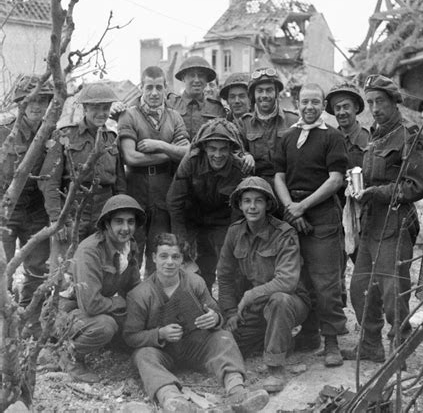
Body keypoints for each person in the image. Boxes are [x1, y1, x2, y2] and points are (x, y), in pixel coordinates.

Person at [123, 233, 269, 413]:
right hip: (163, 352)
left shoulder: (195, 282)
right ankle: (170, 398)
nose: (169, 262)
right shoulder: (140, 294)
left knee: (223, 337)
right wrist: (159, 334)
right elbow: (130, 337)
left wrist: (214, 319)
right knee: (143, 355)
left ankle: (237, 390)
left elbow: (217, 313)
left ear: (182, 259)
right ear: (154, 258)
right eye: (163, 256)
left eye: (175, 257)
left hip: (195, 346)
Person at [345, 75, 423, 363]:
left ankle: (400, 348)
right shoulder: (375, 134)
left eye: (379, 101)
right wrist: (356, 187)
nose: (374, 107)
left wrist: (376, 192)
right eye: (369, 102)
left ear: (394, 102)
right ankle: (370, 345)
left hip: (395, 225)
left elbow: (417, 185)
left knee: (395, 293)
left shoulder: (409, 135)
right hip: (370, 226)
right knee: (360, 289)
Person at [274, 82, 348, 368]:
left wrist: (303, 207)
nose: (309, 107)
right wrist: (291, 210)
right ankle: (308, 335)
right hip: (292, 215)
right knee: (298, 278)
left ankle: (332, 342)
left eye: (315, 102)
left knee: (326, 281)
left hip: (323, 216)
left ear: (323, 105)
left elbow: (335, 180)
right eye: (304, 102)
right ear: (297, 101)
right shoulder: (286, 137)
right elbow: (279, 176)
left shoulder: (333, 137)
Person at [217, 177, 310, 393]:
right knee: (228, 341)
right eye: (247, 201)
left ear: (268, 205)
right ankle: (283, 337)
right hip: (257, 309)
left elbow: (287, 281)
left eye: (258, 201)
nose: (252, 206)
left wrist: (250, 295)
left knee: (280, 301)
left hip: (291, 302)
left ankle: (275, 368)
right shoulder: (234, 232)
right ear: (239, 205)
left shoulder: (284, 233)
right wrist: (230, 312)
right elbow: (224, 275)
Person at [58, 195, 145, 383]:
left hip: (96, 307)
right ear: (106, 224)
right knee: (105, 326)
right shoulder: (91, 250)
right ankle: (69, 356)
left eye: (131, 222)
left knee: (140, 320)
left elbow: (134, 287)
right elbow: (90, 304)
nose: (125, 228)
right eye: (119, 222)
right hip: (69, 310)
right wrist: (119, 303)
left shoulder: (130, 246)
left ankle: (110, 343)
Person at [118, 66, 189, 276]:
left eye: (159, 87)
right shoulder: (129, 116)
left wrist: (160, 145)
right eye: (149, 87)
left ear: (166, 88)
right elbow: (131, 157)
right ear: (142, 88)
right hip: (136, 191)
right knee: (132, 251)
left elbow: (187, 152)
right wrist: (171, 153)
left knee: (158, 251)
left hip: (164, 191)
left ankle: (155, 302)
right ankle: (130, 300)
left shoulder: (174, 117)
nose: (154, 93)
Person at [40, 83, 126, 245]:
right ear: (85, 108)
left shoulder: (112, 139)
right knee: (68, 264)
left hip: (104, 212)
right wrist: (57, 219)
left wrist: (119, 216)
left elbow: (119, 184)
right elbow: (49, 181)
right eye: (95, 108)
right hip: (72, 211)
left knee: (101, 264)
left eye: (105, 108)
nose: (101, 113)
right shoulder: (65, 135)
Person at [166, 118, 246, 291]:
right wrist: (181, 241)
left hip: (222, 221)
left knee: (230, 265)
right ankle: (199, 302)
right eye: (213, 149)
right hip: (193, 218)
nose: (218, 155)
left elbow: (238, 213)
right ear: (204, 148)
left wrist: (231, 243)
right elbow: (174, 201)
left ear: (231, 149)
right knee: (193, 267)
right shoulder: (191, 161)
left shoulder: (239, 169)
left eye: (223, 149)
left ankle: (230, 309)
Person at [0, 76, 53, 307]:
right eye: (31, 100)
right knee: (3, 269)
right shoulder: (4, 131)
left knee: (38, 268)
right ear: (20, 103)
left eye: (43, 100)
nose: (37, 106)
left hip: (36, 209)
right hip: (6, 208)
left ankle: (29, 321)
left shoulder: (52, 132)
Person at [325, 82, 369, 305]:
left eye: (346, 106)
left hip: (363, 214)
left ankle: (369, 319)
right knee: (334, 269)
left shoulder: (370, 140)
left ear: (356, 108)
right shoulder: (329, 139)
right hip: (334, 211)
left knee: (364, 269)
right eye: (337, 108)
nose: (341, 112)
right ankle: (338, 319)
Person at [237, 67, 298, 185]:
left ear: (276, 93)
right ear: (253, 95)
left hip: (288, 183)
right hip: (255, 185)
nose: (264, 95)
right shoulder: (244, 123)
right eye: (259, 90)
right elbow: (236, 149)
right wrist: (245, 155)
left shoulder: (293, 121)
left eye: (269, 90)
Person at [167, 56, 226, 140]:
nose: (197, 80)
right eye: (192, 75)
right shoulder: (171, 105)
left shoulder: (216, 108)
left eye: (201, 75)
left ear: (206, 80)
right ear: (183, 78)